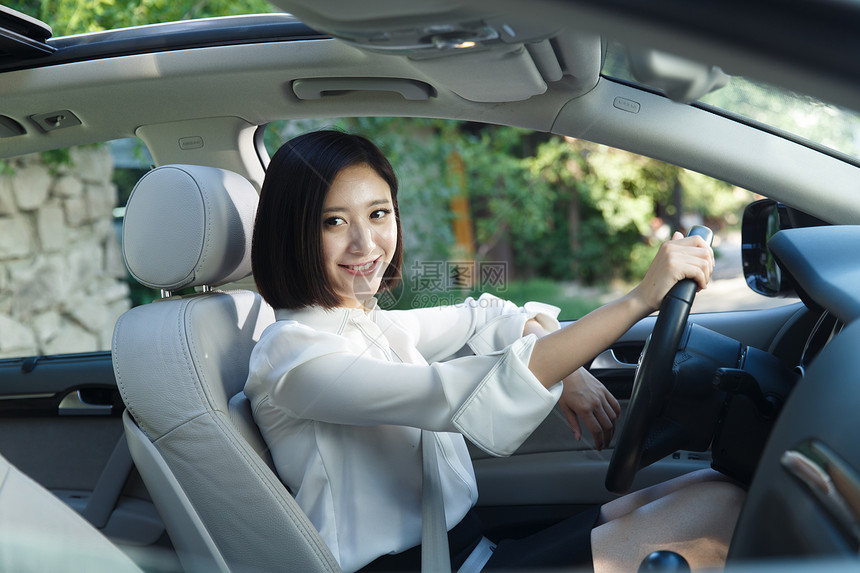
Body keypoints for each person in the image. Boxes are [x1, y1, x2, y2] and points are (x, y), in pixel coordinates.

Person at [244, 130, 744, 573]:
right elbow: (458, 394)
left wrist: (567, 370)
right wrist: (637, 300)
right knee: (712, 521)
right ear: (294, 233)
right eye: (334, 222)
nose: (365, 242)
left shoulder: (370, 324)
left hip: (467, 550)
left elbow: (488, 312)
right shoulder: (294, 357)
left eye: (378, 214)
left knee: (713, 490)